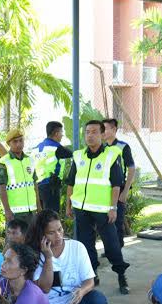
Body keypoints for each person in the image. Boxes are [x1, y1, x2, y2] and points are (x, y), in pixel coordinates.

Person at [66, 120, 130, 294]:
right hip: (82, 209)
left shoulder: (111, 155)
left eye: (94, 132)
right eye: (87, 132)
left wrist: (113, 208)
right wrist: (68, 205)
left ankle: (121, 275)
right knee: (86, 245)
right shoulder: (78, 156)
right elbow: (71, 183)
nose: (90, 135)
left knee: (111, 245)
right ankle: (92, 275)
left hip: (103, 210)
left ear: (102, 135)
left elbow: (116, 185)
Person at [27, 210, 108, 304]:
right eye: (51, 233)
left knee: (97, 300)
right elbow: (44, 289)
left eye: (60, 229)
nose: (58, 236)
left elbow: (89, 281)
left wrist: (81, 291)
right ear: (42, 235)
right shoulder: (35, 253)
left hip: (76, 300)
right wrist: (48, 257)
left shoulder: (77, 247)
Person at [0, 128, 40, 226]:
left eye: (21, 140)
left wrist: (39, 207)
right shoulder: (3, 162)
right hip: (15, 213)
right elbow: (1, 188)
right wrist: (7, 211)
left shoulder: (30, 160)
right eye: (15, 141)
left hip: (31, 211)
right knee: (15, 240)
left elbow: (34, 185)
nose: (19, 144)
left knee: (32, 239)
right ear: (9, 144)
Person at [103, 118, 136, 248]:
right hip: (105, 190)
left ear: (114, 130)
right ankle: (110, 249)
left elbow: (131, 169)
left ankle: (117, 252)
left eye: (104, 129)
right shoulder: (103, 148)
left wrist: (126, 191)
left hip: (120, 189)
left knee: (117, 221)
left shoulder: (123, 146)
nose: (102, 132)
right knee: (106, 222)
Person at [30, 121, 73, 213]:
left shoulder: (35, 149)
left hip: (37, 188)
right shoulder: (57, 147)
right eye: (62, 132)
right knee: (52, 217)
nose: (62, 135)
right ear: (56, 133)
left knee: (42, 217)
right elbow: (74, 155)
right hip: (51, 187)